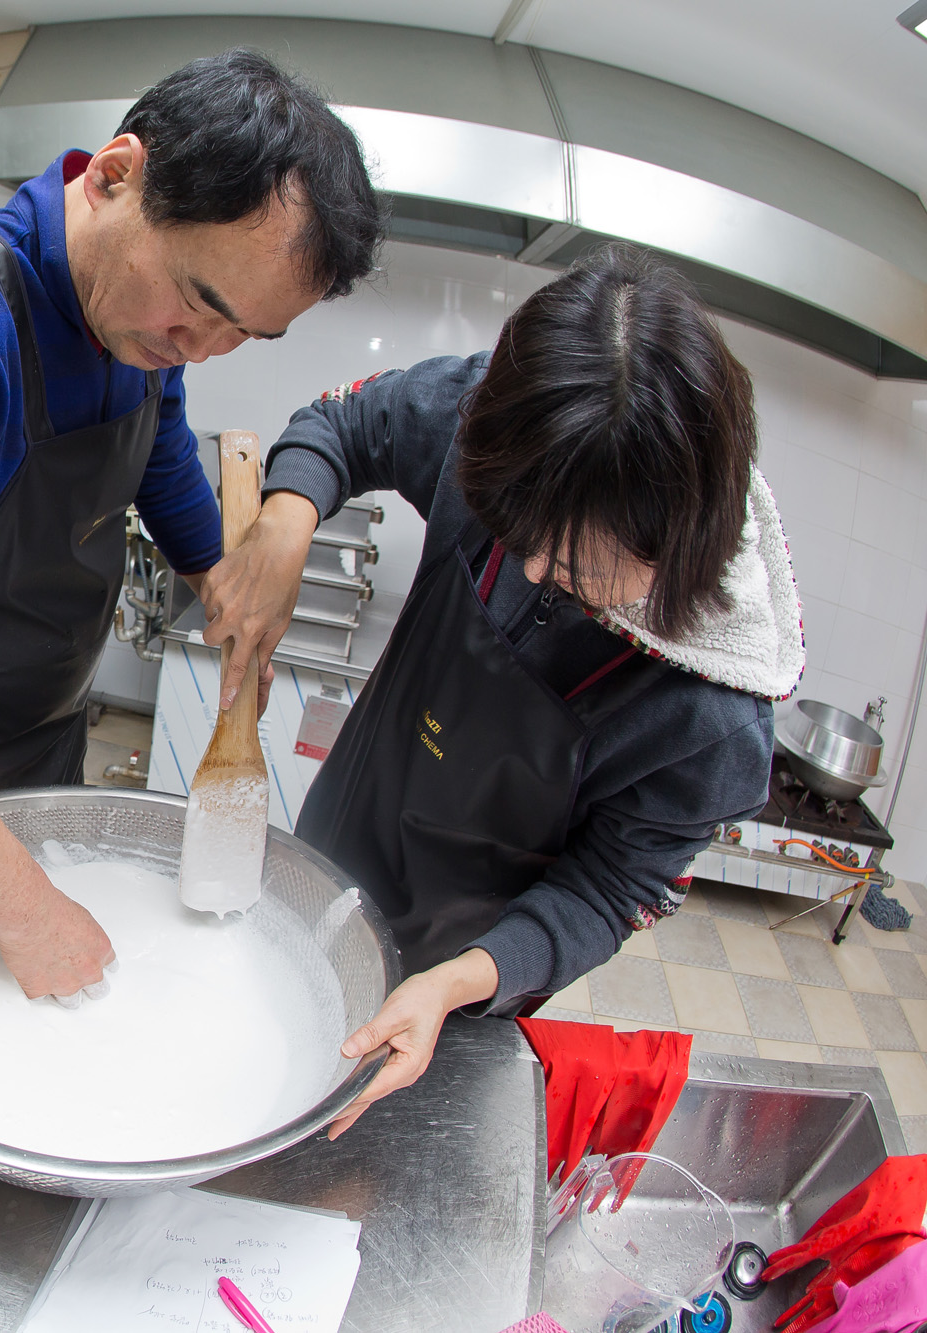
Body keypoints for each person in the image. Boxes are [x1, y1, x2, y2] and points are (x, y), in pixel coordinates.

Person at [0, 50, 381, 1000]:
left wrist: (218, 582)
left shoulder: (143, 328)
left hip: (47, 729)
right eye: (199, 305)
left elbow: (160, 450)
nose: (197, 351)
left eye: (241, 335)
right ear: (114, 175)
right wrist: (28, 910)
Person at [202, 247, 800, 1135]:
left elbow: (607, 891)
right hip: (339, 837)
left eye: (580, 567)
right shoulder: (509, 422)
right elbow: (347, 425)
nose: (534, 570)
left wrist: (456, 983)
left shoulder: (710, 717)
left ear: (679, 544)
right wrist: (286, 527)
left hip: (466, 966)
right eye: (519, 534)